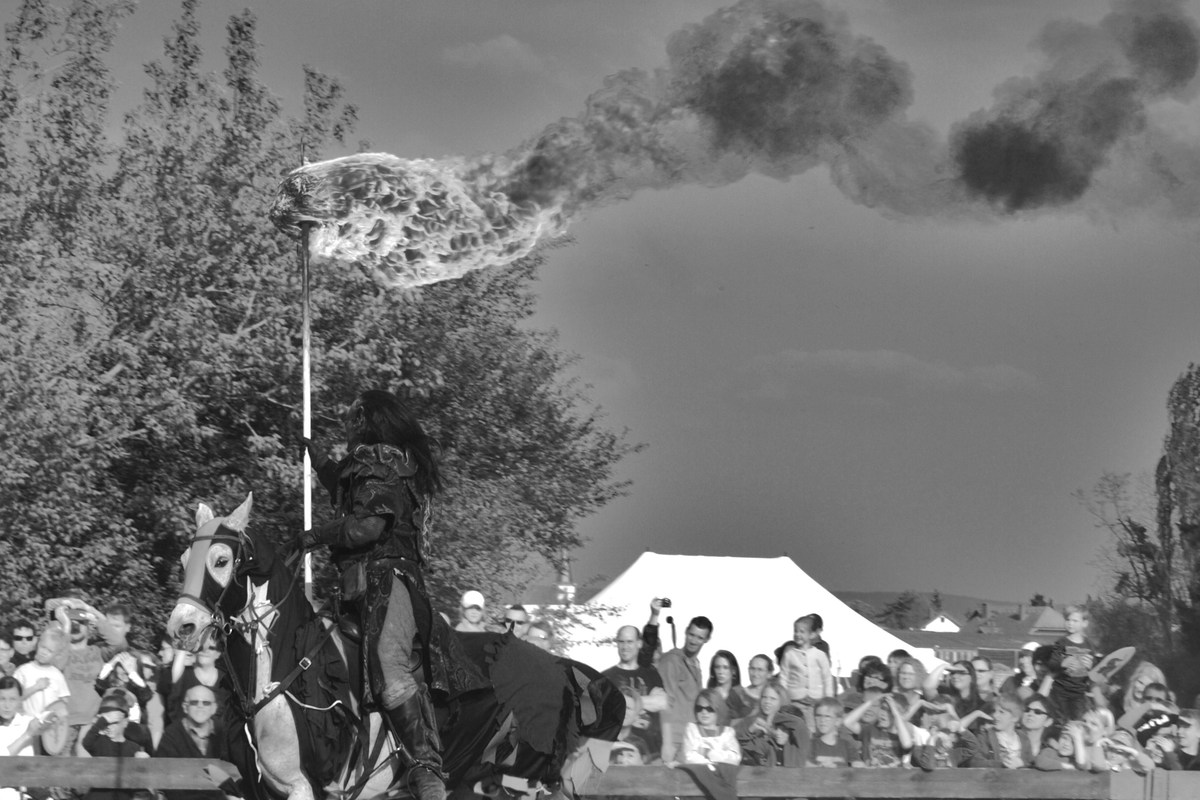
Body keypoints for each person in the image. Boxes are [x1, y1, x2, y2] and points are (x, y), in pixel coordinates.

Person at [302, 389, 453, 800]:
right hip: (359, 585)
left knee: (390, 667)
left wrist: (312, 537)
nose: (348, 426)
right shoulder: (375, 465)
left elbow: (366, 527)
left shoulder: (383, 462)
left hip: (390, 581)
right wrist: (321, 464)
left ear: (368, 421)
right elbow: (355, 492)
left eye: (354, 419)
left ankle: (426, 768)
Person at [155, 685, 235, 800]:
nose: (200, 706)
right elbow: (162, 778)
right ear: (185, 707)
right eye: (194, 702)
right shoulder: (171, 735)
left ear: (214, 708)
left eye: (206, 703)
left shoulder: (224, 733)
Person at [602, 625, 666, 759]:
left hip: (651, 751)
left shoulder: (651, 675)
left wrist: (625, 706)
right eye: (621, 642)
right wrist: (646, 702)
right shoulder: (605, 677)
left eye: (629, 641)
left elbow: (662, 702)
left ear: (639, 643)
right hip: (617, 753)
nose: (625, 647)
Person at [657, 616, 712, 764]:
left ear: (707, 639)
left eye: (699, 637)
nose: (693, 641)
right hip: (673, 739)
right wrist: (667, 743)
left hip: (689, 739)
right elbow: (664, 703)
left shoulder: (696, 665)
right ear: (686, 632)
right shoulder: (672, 660)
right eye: (691, 635)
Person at [80, 689, 150, 800]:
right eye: (105, 723)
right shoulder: (100, 742)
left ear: (125, 722)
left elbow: (138, 780)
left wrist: (143, 764)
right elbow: (87, 742)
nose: (108, 726)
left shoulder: (133, 747)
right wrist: (103, 720)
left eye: (114, 723)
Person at [778, 615, 833, 731]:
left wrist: (828, 699)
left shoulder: (819, 654)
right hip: (795, 700)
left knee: (812, 728)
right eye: (795, 631)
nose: (797, 634)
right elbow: (784, 676)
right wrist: (783, 698)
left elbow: (827, 678)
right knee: (795, 726)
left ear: (812, 635)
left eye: (802, 632)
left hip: (815, 701)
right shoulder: (789, 653)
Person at [734, 680, 806, 767]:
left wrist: (773, 718)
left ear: (782, 701)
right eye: (764, 697)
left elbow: (799, 724)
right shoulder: (750, 721)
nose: (767, 701)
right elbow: (740, 743)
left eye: (773, 699)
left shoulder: (792, 723)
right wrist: (750, 731)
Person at [1047, 606, 1099, 722]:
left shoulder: (1089, 645)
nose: (1070, 623)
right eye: (1068, 620)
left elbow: (1096, 669)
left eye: (1075, 621)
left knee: (1077, 721)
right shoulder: (1061, 643)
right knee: (1060, 720)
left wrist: (1091, 666)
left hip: (1079, 692)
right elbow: (1052, 664)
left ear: (1084, 623)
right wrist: (1063, 663)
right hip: (1061, 690)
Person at [680, 689, 740, 767]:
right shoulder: (691, 729)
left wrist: (707, 752)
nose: (704, 712)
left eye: (709, 709)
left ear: (718, 709)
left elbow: (735, 758)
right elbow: (689, 757)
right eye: (699, 708)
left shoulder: (727, 733)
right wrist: (715, 761)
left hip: (721, 775)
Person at [809, 696, 858, 767]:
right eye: (818, 716)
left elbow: (858, 765)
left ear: (838, 721)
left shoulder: (847, 745)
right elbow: (805, 765)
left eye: (827, 716)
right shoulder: (809, 745)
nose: (822, 720)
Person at [707, 651, 755, 722]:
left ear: (733, 671)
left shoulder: (743, 695)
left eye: (725, 667)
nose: (721, 671)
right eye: (717, 667)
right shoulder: (708, 695)